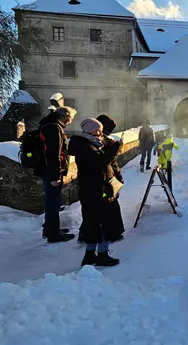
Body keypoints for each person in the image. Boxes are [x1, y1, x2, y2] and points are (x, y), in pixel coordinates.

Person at [69, 118, 123, 267]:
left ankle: (90, 255)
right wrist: (114, 149)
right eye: (97, 130)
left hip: (94, 189)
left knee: (93, 223)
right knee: (102, 223)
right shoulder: (85, 145)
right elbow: (100, 162)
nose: (100, 132)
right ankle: (102, 256)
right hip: (95, 191)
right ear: (89, 130)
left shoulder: (89, 143)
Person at [77, 114, 125, 244]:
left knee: (103, 212)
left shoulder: (97, 141)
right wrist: (114, 150)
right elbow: (103, 161)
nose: (101, 133)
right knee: (98, 216)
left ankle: (105, 238)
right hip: (96, 185)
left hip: (103, 182)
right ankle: (95, 248)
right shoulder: (89, 144)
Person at [36, 106, 77, 243]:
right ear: (64, 116)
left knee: (51, 202)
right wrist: (56, 175)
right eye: (70, 118)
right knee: (53, 202)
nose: (70, 122)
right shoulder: (55, 128)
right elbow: (54, 153)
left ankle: (49, 230)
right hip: (51, 172)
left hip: (46, 170)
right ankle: (53, 234)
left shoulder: (48, 125)